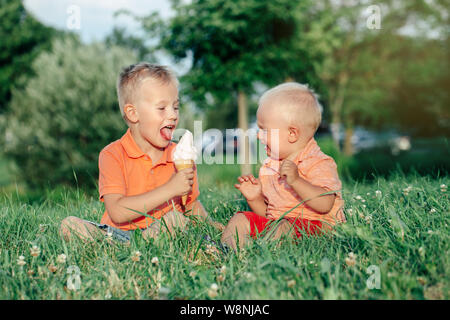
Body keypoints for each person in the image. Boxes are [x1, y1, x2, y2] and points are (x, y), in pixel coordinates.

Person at [60, 63, 224, 243]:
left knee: (175, 219)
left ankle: (136, 249)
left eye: (175, 107)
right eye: (162, 108)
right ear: (133, 113)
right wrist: (170, 188)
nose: (173, 115)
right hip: (118, 235)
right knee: (69, 225)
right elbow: (117, 211)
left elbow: (191, 205)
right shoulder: (112, 154)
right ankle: (130, 247)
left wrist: (213, 225)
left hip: (163, 229)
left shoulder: (180, 156)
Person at [221, 82, 345, 251]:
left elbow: (325, 204)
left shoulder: (318, 162)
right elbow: (269, 215)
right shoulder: (270, 167)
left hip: (318, 228)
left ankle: (261, 252)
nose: (258, 136)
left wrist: (297, 180)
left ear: (292, 134)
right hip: (279, 225)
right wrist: (255, 198)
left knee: (284, 226)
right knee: (240, 219)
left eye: (265, 130)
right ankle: (233, 249)